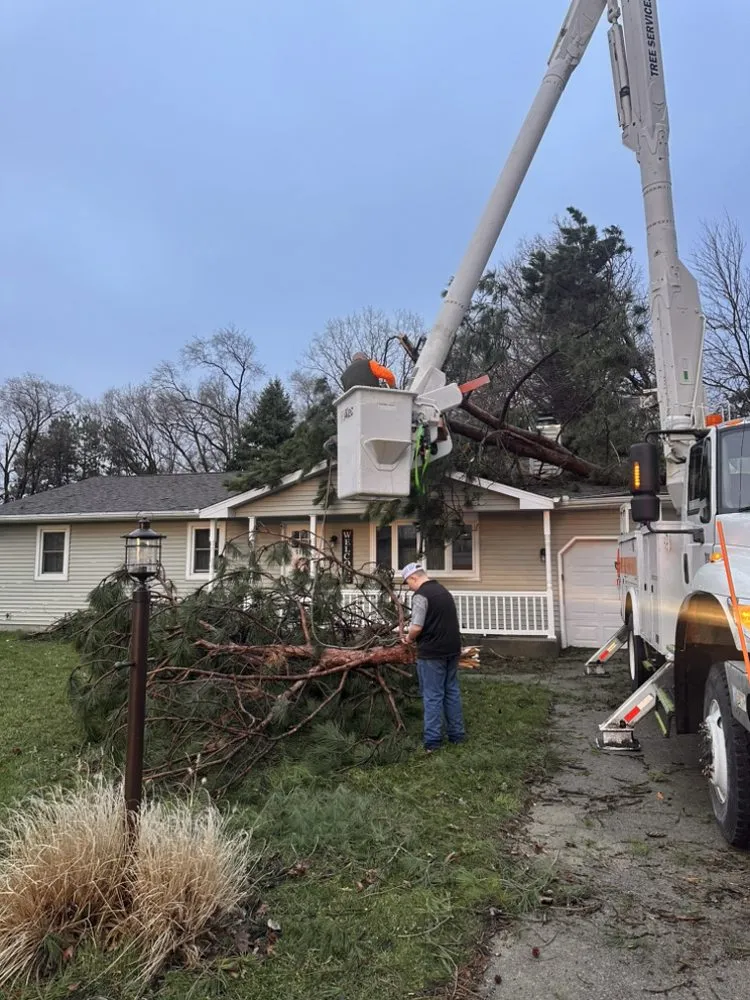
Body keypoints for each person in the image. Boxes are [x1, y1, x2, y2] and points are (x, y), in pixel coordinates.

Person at [400, 562, 466, 751]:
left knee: (432, 695)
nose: (409, 587)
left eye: (408, 583)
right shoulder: (443, 591)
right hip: (452, 649)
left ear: (414, 578)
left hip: (432, 653)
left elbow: (417, 627)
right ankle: (457, 735)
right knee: (451, 691)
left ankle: (433, 741)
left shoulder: (421, 596)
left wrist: (408, 639)